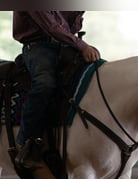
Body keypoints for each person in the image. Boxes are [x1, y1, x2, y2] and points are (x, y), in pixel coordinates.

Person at [12, 11, 100, 165]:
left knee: (94, 74)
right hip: (38, 47)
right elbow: (52, 26)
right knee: (44, 83)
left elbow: (71, 27)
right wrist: (82, 46)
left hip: (65, 45)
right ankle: (26, 140)